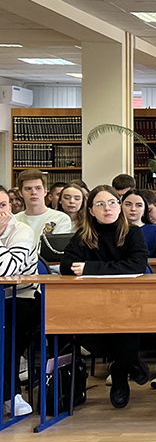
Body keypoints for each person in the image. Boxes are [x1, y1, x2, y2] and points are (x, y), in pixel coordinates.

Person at [59, 185, 150, 408]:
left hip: (128, 302)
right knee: (79, 331)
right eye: (100, 204)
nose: (107, 208)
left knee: (128, 331)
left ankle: (119, 374)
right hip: (92, 303)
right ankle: (129, 361)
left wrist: (90, 268)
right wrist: (112, 268)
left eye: (111, 203)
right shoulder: (83, 235)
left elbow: (137, 264)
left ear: (119, 207)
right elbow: (66, 266)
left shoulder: (132, 233)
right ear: (91, 210)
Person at [0, 184, 39, 417]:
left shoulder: (21, 231)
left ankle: (10, 394)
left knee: (4, 332)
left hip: (22, 298)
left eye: (2, 205)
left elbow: (7, 269)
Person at [14, 169, 73, 242]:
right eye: (28, 189)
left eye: (38, 188)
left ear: (45, 191)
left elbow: (56, 247)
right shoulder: (14, 220)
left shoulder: (60, 219)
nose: (34, 192)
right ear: (20, 193)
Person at [121, 188, 156, 258]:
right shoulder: (114, 229)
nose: (133, 209)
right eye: (128, 204)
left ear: (144, 209)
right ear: (121, 207)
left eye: (139, 205)